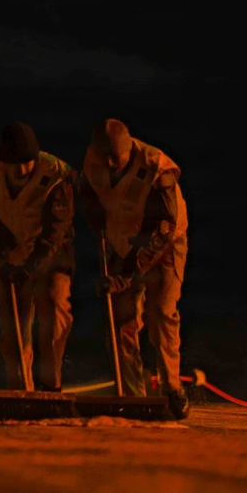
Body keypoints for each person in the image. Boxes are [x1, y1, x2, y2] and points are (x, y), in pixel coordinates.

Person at [76, 117, 190, 419]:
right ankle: (132, 394)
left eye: (117, 156)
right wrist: (92, 212)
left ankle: (171, 388)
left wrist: (126, 274)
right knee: (121, 320)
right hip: (121, 241)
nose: (111, 163)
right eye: (105, 156)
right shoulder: (94, 159)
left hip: (164, 244)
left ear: (130, 150)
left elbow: (162, 228)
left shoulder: (157, 168)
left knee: (161, 312)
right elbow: (85, 186)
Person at [0, 121, 76, 392]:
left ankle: (50, 387)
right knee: (13, 327)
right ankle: (20, 389)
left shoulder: (56, 175)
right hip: (9, 253)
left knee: (54, 312)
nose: (21, 169)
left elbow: (56, 230)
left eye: (27, 162)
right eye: (13, 163)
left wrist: (30, 267)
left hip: (50, 254)